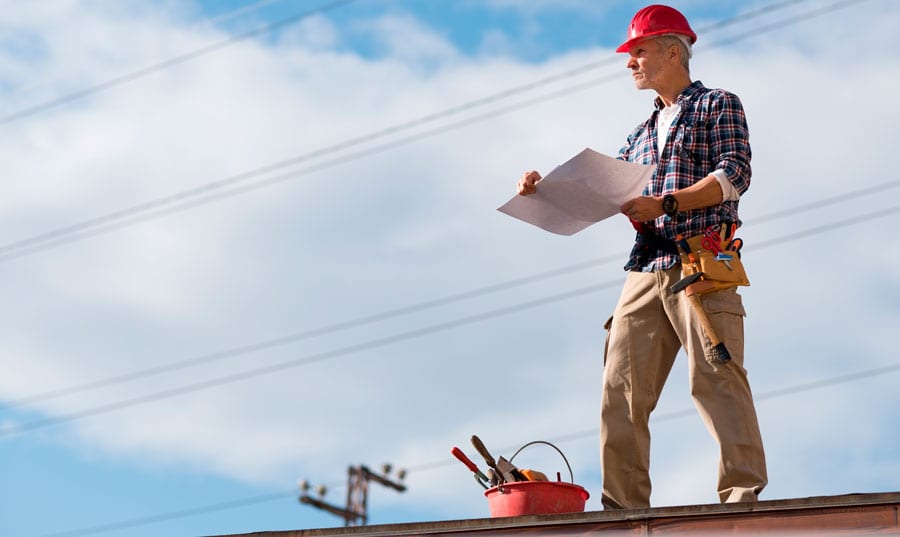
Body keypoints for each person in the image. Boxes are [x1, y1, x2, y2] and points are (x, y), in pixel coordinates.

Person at [516, 4, 767, 509]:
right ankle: (624, 511)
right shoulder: (638, 135)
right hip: (645, 268)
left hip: (701, 261)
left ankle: (739, 502)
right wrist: (545, 193)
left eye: (639, 51)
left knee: (716, 378)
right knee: (619, 391)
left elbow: (734, 175)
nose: (630, 61)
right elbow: (612, 195)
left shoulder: (718, 105)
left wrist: (667, 202)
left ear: (674, 52)